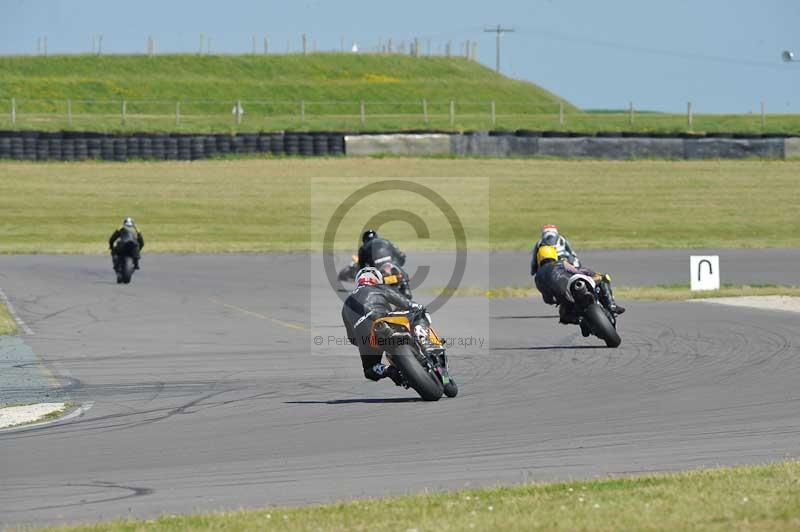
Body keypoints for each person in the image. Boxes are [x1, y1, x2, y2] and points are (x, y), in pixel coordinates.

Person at [341, 266, 424, 385]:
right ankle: (424, 341)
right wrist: (416, 307)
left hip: (366, 338)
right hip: (383, 320)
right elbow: (405, 303)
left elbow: (351, 338)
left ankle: (389, 371)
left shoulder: (346, 305)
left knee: (369, 370)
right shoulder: (378, 287)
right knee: (419, 314)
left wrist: (363, 341)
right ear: (377, 279)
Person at [534, 245, 625, 332]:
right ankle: (611, 305)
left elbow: (548, 299)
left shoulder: (537, 277)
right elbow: (578, 271)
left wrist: (556, 300)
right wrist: (594, 275)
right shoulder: (560, 263)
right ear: (554, 254)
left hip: (564, 298)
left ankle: (581, 320)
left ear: (539, 258)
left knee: (564, 318)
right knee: (603, 279)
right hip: (574, 283)